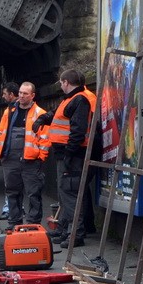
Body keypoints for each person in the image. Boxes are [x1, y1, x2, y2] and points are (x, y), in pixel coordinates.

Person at [35, 69, 96, 248]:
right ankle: (67, 229)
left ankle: (75, 233)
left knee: (70, 194)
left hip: (73, 155)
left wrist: (69, 153)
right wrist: (43, 119)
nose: (60, 85)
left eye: (61, 83)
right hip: (68, 154)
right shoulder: (71, 99)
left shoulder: (79, 100)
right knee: (66, 193)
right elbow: (57, 115)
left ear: (66, 82)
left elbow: (78, 131)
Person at [0, 82, 49, 228]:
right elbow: (1, 132)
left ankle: (33, 224)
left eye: (25, 93)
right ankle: (14, 223)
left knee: (33, 193)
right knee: (12, 192)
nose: (21, 96)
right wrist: (2, 154)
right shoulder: (9, 112)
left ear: (32, 95)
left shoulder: (40, 114)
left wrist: (41, 157)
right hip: (10, 159)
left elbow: (45, 138)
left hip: (31, 161)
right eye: (20, 93)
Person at [0, 82, 20, 221]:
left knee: (12, 185)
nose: (3, 96)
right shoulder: (9, 110)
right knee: (13, 185)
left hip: (13, 154)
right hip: (8, 153)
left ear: (11, 94)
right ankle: (13, 209)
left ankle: (11, 210)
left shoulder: (15, 110)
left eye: (5, 94)